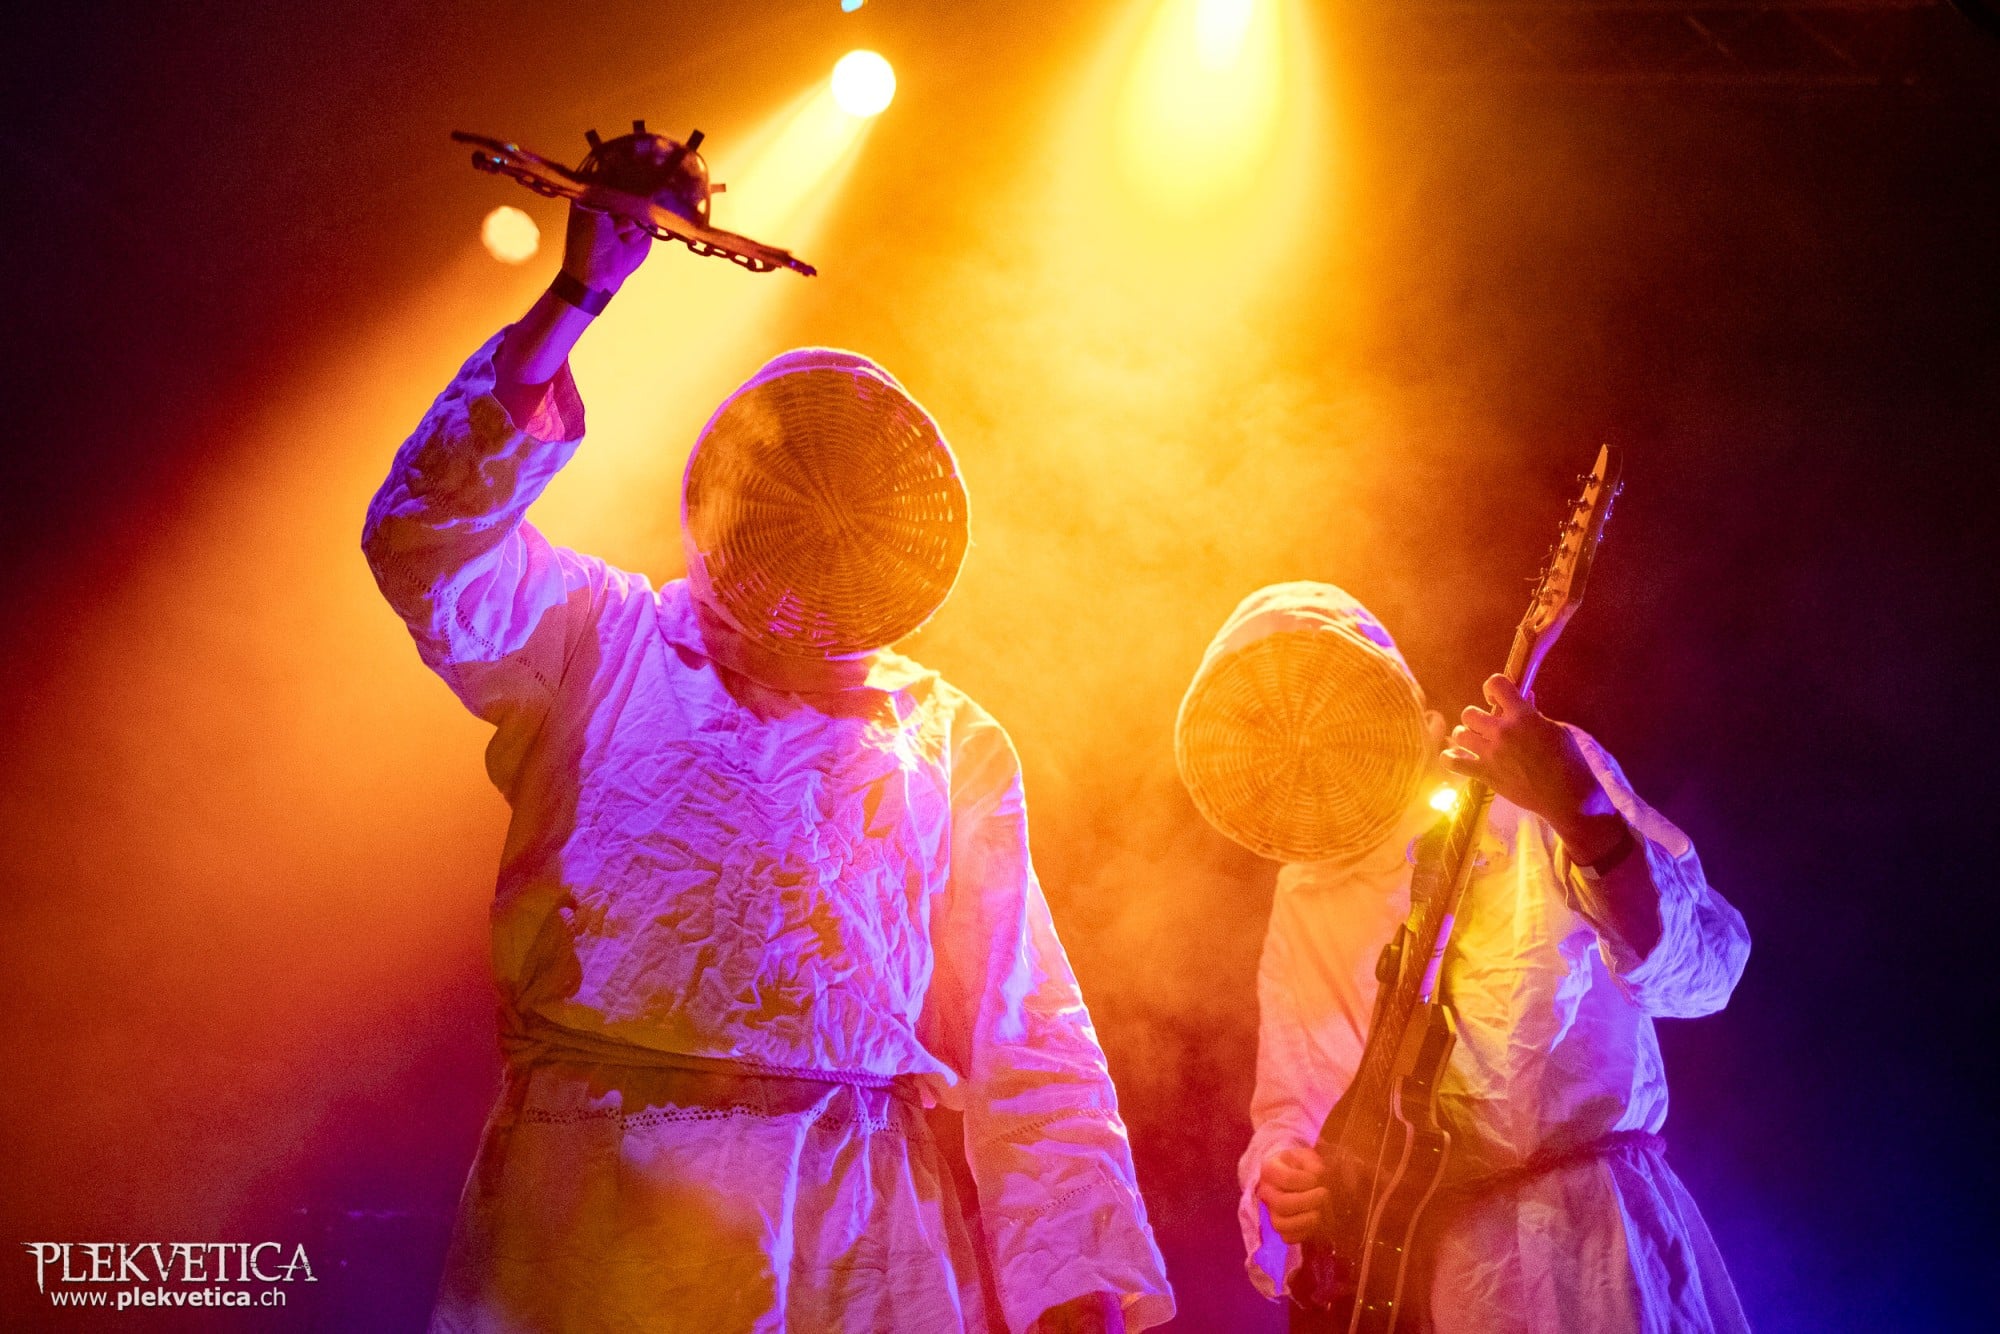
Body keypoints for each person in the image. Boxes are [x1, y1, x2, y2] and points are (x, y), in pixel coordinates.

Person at [362, 200, 1173, 1334]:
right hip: (602, 1205)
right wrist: (575, 297)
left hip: (858, 1234)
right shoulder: (600, 638)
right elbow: (428, 539)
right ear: (724, 500)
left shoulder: (945, 738)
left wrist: (1076, 1288)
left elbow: (1023, 1023)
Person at [1181, 583, 1751, 1332]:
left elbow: (1708, 971)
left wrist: (1583, 816)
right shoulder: (1305, 892)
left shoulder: (1536, 776)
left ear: (1407, 705)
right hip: (1426, 1280)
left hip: (1599, 1250)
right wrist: (1282, 1173)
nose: (1317, 748)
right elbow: (1293, 1102)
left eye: (1338, 718)